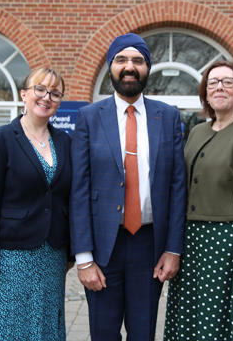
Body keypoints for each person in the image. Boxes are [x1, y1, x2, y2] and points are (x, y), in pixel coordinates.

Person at [70, 33, 187, 341]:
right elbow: (79, 191)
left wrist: (172, 249)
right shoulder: (89, 117)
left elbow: (177, 188)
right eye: (121, 60)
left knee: (143, 333)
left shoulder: (168, 117)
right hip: (102, 247)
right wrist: (83, 259)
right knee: (104, 334)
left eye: (138, 60)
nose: (129, 67)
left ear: (147, 68)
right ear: (111, 66)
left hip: (149, 246)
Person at [164, 61, 233, 340]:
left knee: (218, 326)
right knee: (188, 323)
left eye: (227, 82)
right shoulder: (199, 131)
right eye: (213, 82)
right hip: (191, 245)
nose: (219, 87)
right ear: (205, 93)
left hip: (227, 247)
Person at [0, 68, 72, 340]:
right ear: (24, 94)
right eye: (40, 89)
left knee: (44, 328)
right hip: (9, 257)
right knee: (3, 328)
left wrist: (71, 251)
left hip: (51, 255)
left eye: (55, 93)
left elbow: (67, 199)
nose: (46, 97)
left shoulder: (65, 142)